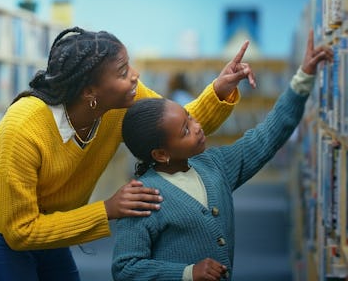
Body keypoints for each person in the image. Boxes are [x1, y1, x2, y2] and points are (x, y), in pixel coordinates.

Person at [0, 26, 256, 280]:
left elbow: (177, 128)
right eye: (123, 71)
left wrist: (219, 89)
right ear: (90, 91)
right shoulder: (23, 126)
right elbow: (20, 231)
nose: (135, 76)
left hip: (50, 222)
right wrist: (108, 209)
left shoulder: (123, 102)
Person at [112, 29, 333, 281]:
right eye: (185, 131)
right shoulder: (142, 198)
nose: (197, 127)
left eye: (190, 117)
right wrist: (187, 273)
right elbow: (125, 269)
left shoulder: (214, 166)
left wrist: (303, 78)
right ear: (161, 154)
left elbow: (268, 136)